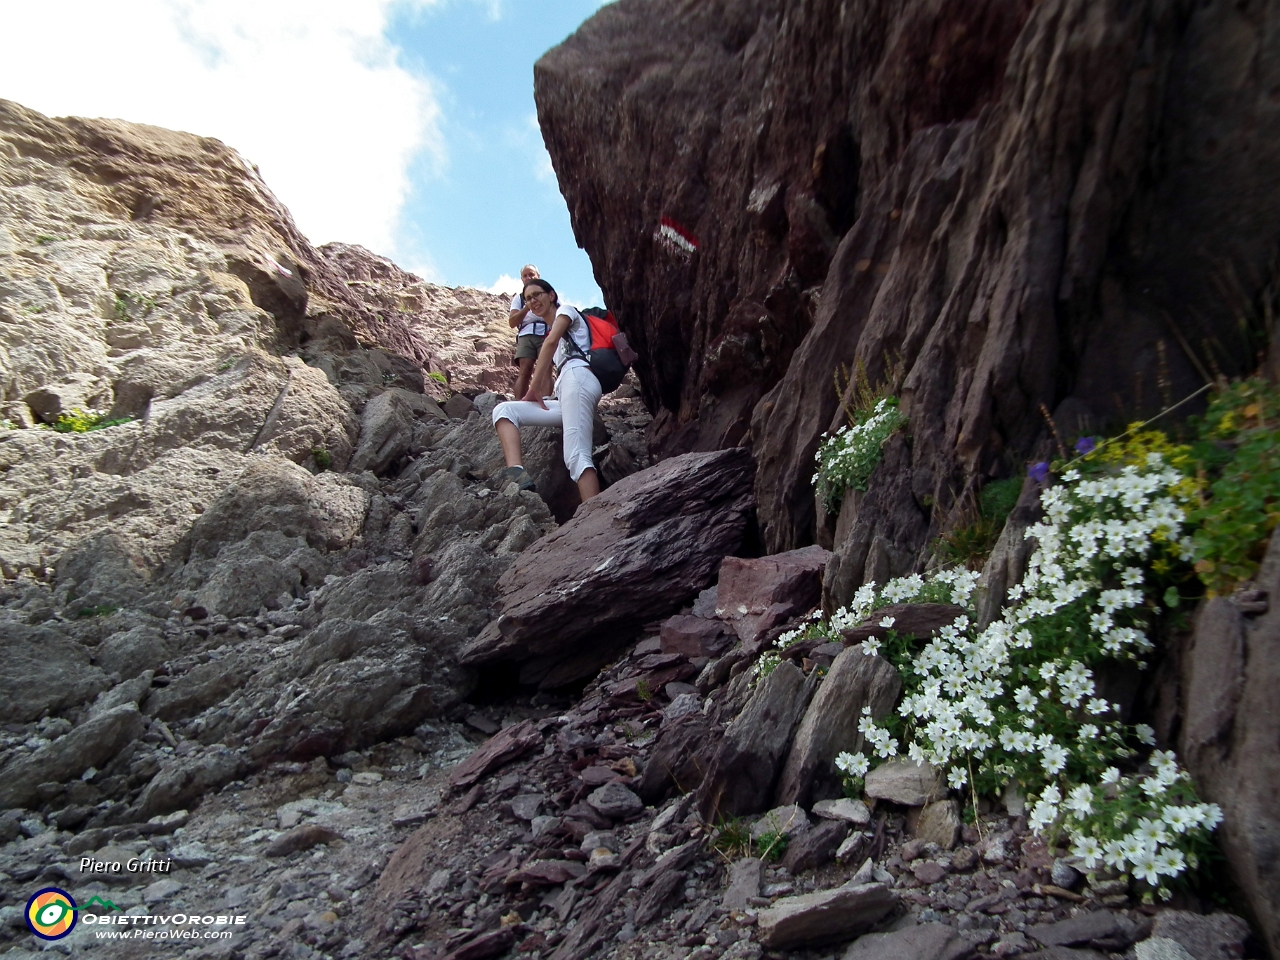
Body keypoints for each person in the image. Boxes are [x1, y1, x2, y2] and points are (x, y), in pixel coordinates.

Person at [492, 278, 602, 503]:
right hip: (567, 390)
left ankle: (597, 517)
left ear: (551, 295)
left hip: (579, 379)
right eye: (528, 298)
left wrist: (533, 389)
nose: (533, 301)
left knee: (576, 456)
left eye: (537, 294)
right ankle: (518, 474)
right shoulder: (552, 331)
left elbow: (551, 342)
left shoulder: (567, 312)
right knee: (504, 411)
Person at [507, 264, 545, 399]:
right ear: (521, 279)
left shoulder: (548, 294)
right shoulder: (519, 298)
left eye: (531, 274)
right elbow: (512, 322)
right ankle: (520, 403)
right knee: (525, 370)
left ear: (538, 276)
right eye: (525, 275)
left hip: (545, 333)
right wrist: (527, 307)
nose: (528, 277)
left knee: (545, 369)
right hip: (526, 334)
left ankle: (545, 403)